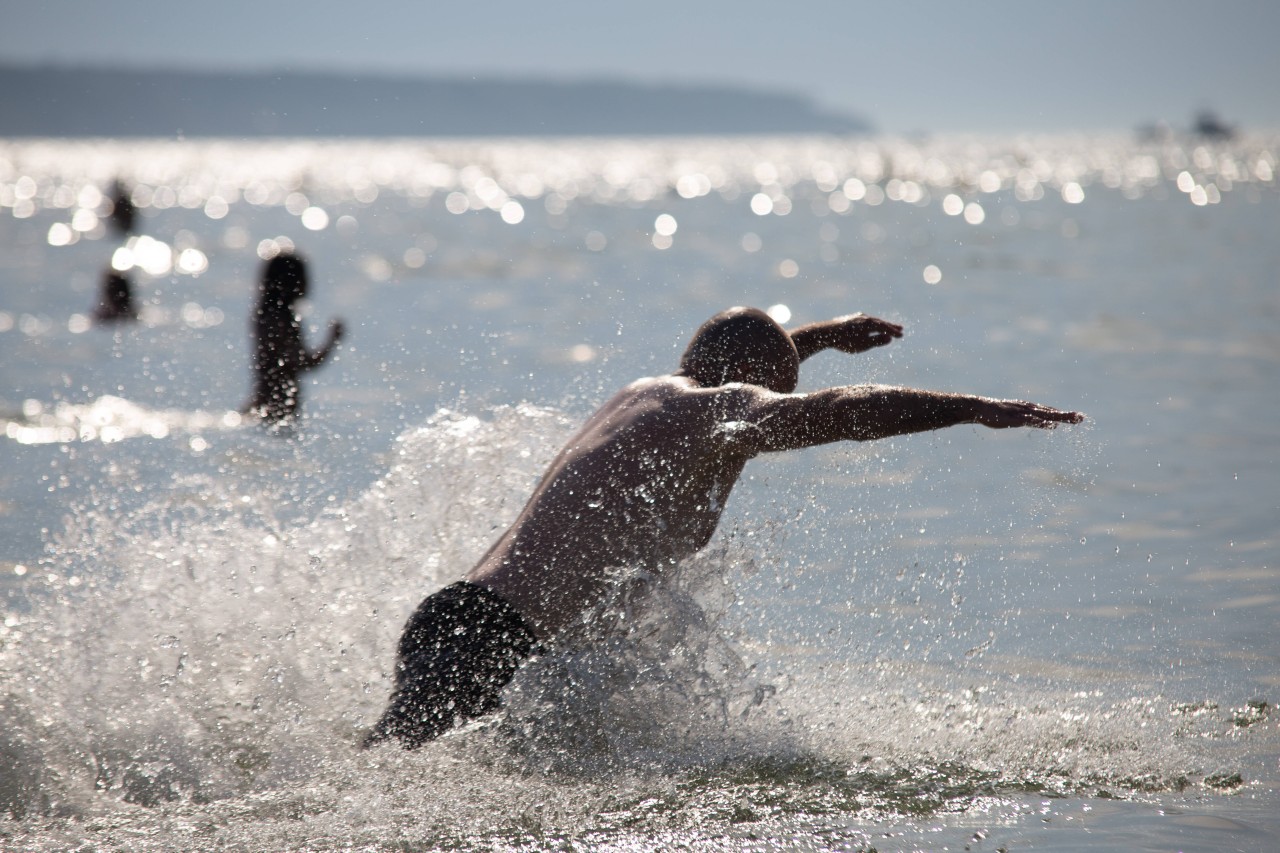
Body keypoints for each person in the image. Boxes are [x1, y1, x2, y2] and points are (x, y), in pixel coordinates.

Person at [363, 307, 1084, 748]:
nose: (776, 402)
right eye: (772, 386)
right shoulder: (716, 413)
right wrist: (971, 406)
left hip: (457, 623)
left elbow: (738, 361)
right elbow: (842, 410)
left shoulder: (645, 394)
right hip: (488, 649)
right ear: (742, 378)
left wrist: (823, 334)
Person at [243, 252, 344, 426]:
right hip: (276, 410)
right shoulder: (279, 320)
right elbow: (303, 363)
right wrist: (332, 340)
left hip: (266, 407)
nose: (308, 284)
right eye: (303, 278)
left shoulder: (266, 315)